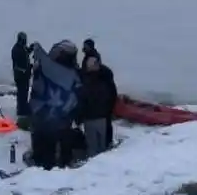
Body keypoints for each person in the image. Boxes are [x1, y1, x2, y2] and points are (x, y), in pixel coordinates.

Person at [28, 41, 81, 170]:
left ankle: (46, 164)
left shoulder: (51, 70)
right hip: (57, 118)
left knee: (47, 142)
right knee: (57, 140)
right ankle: (59, 163)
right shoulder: (74, 75)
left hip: (48, 117)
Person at [77, 54, 118, 157]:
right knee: (98, 145)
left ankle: (96, 165)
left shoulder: (88, 80)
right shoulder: (104, 78)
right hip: (99, 116)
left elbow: (82, 99)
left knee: (95, 146)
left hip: (94, 117)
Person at [11, 32, 33, 117]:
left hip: (24, 75)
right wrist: (28, 68)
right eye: (24, 39)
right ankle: (21, 110)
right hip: (20, 76)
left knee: (24, 92)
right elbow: (18, 64)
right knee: (22, 92)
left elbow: (26, 52)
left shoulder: (21, 47)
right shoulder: (16, 49)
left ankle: (23, 107)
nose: (25, 41)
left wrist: (31, 48)